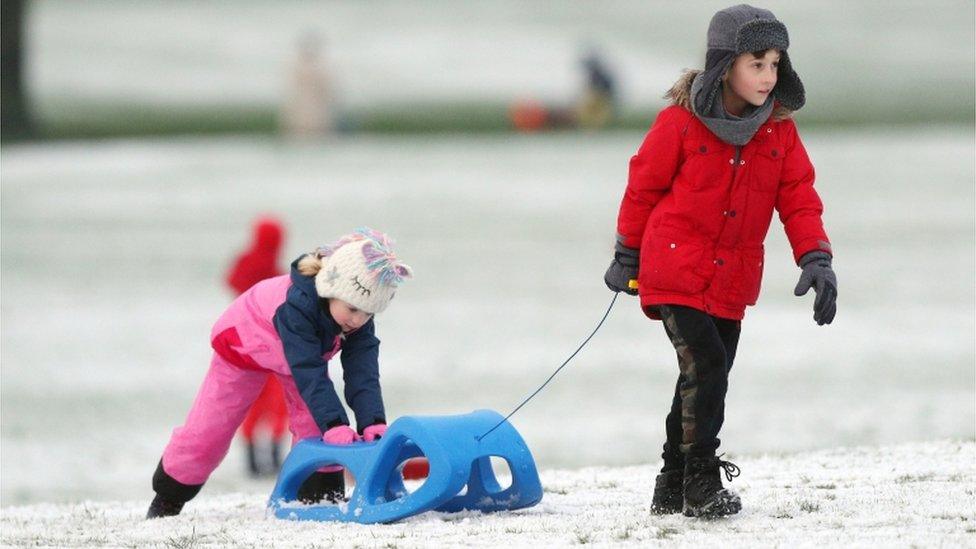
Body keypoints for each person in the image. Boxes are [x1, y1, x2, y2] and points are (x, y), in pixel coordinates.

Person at [604, 4, 837, 518]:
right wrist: (627, 253)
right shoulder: (681, 124)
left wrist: (815, 256)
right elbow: (643, 185)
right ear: (725, 64)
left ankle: (670, 479)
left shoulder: (778, 131)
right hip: (672, 268)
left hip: (731, 280)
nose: (768, 76)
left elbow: (799, 197)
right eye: (757, 63)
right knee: (706, 365)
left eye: (776, 63)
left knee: (704, 375)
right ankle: (701, 483)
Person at [147, 228, 413, 518]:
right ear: (333, 290)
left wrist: (371, 421)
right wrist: (337, 422)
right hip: (244, 347)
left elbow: (363, 373)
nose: (358, 319)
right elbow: (309, 373)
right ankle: (169, 497)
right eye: (353, 309)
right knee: (212, 427)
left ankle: (316, 500)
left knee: (313, 423)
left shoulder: (357, 318)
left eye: (368, 313)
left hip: (295, 359)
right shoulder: (297, 308)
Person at [226, 216, 289, 477]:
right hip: (272, 345)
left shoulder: (244, 263)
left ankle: (251, 456)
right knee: (278, 399)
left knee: (252, 399)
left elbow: (230, 283)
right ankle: (274, 453)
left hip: (243, 342)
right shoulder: (276, 271)